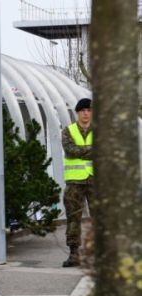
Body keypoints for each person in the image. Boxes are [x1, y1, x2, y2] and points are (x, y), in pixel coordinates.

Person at [61, 98, 93, 268]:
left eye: (88, 110)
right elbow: (70, 151)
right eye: (82, 111)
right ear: (78, 113)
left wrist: (82, 152)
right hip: (74, 182)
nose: (86, 113)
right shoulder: (68, 131)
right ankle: (74, 254)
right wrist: (91, 150)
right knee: (73, 218)